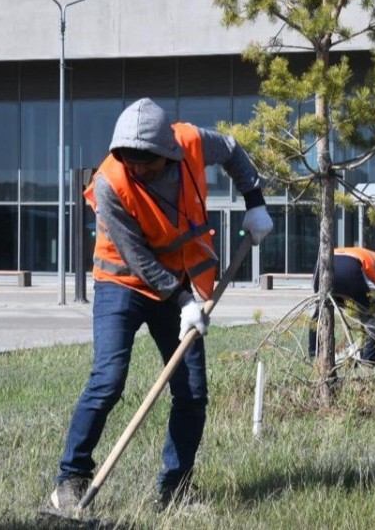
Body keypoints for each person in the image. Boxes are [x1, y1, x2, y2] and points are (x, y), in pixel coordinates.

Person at [49, 98, 273, 512]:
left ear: (167, 152)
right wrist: (185, 301)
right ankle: (71, 479)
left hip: (177, 279)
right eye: (131, 163)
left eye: (147, 164)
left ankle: (175, 489)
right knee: (108, 379)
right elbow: (138, 257)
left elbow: (232, 150)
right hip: (122, 282)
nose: (139, 171)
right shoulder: (109, 183)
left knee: (192, 392)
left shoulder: (190, 142)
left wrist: (254, 201)